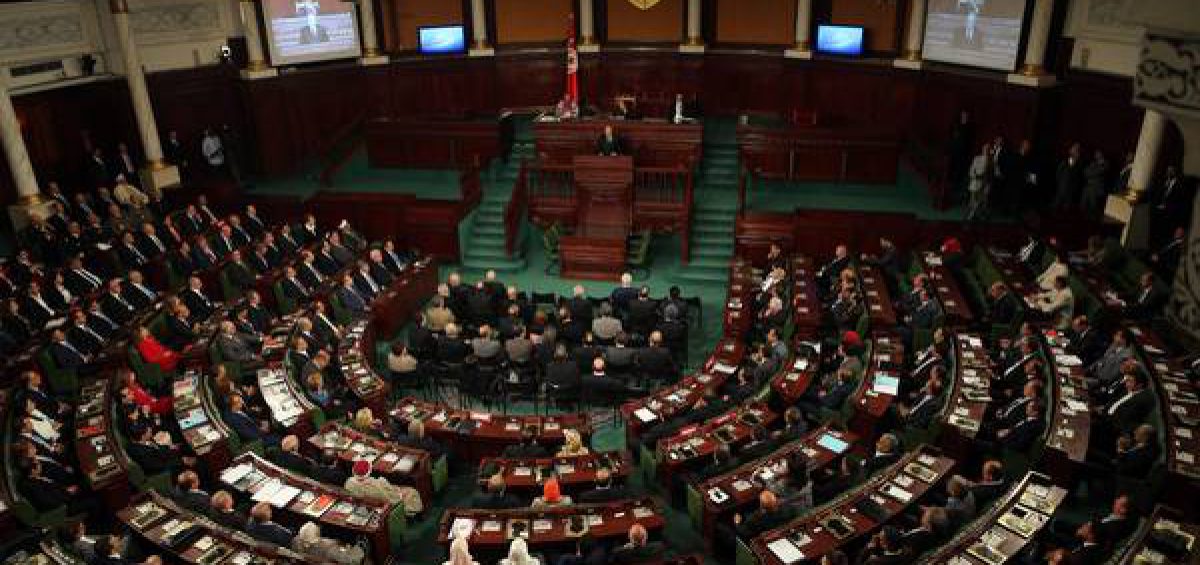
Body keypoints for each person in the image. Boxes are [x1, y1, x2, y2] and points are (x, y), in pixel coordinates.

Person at [344, 459, 424, 515]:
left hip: (367, 505)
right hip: (387, 505)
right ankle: (415, 512)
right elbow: (391, 498)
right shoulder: (377, 483)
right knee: (412, 491)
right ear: (369, 472)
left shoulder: (348, 483)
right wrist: (400, 493)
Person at [292, 522, 366, 565]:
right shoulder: (329, 548)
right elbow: (352, 559)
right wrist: (360, 547)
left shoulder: (296, 541)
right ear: (317, 534)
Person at [966, 141, 992, 222]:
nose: (986, 150)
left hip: (985, 184)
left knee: (982, 201)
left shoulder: (991, 161)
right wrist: (976, 176)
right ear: (982, 149)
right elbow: (971, 170)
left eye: (988, 149)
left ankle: (976, 215)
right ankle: (970, 215)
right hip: (976, 182)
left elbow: (993, 173)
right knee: (973, 200)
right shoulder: (977, 158)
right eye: (985, 148)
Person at [1054, 143, 1084, 210]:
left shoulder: (1079, 165)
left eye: (1077, 149)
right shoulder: (1064, 162)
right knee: (1056, 205)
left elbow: (1078, 178)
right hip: (1061, 188)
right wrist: (1059, 183)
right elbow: (1058, 173)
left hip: (1070, 191)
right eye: (1074, 149)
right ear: (1070, 150)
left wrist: (1074, 188)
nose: (1075, 151)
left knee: (1066, 208)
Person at [1082, 149, 1110, 218]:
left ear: (1101, 154)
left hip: (1096, 190)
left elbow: (1099, 171)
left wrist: (1091, 172)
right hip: (1088, 188)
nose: (1096, 155)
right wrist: (1092, 172)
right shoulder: (1093, 163)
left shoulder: (1105, 163)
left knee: (1093, 208)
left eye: (1098, 153)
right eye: (1095, 154)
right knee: (1083, 206)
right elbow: (1085, 172)